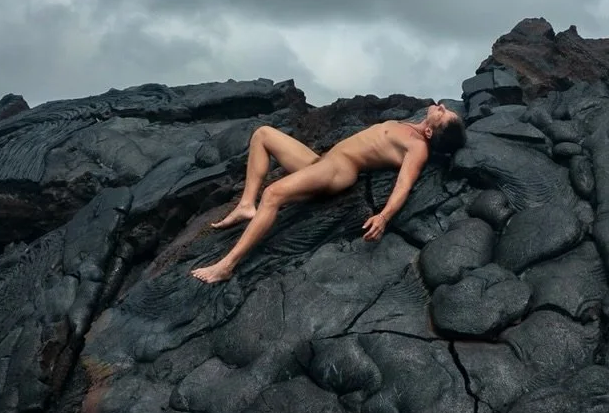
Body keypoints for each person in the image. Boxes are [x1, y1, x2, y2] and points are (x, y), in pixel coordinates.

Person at [190, 103, 467, 285]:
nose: (441, 106)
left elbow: (404, 185)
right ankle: (247, 204)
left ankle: (226, 265)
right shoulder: (407, 126)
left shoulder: (418, 147)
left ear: (430, 131)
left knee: (274, 193)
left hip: (339, 170)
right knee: (263, 134)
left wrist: (383, 217)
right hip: (321, 161)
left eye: (443, 113)